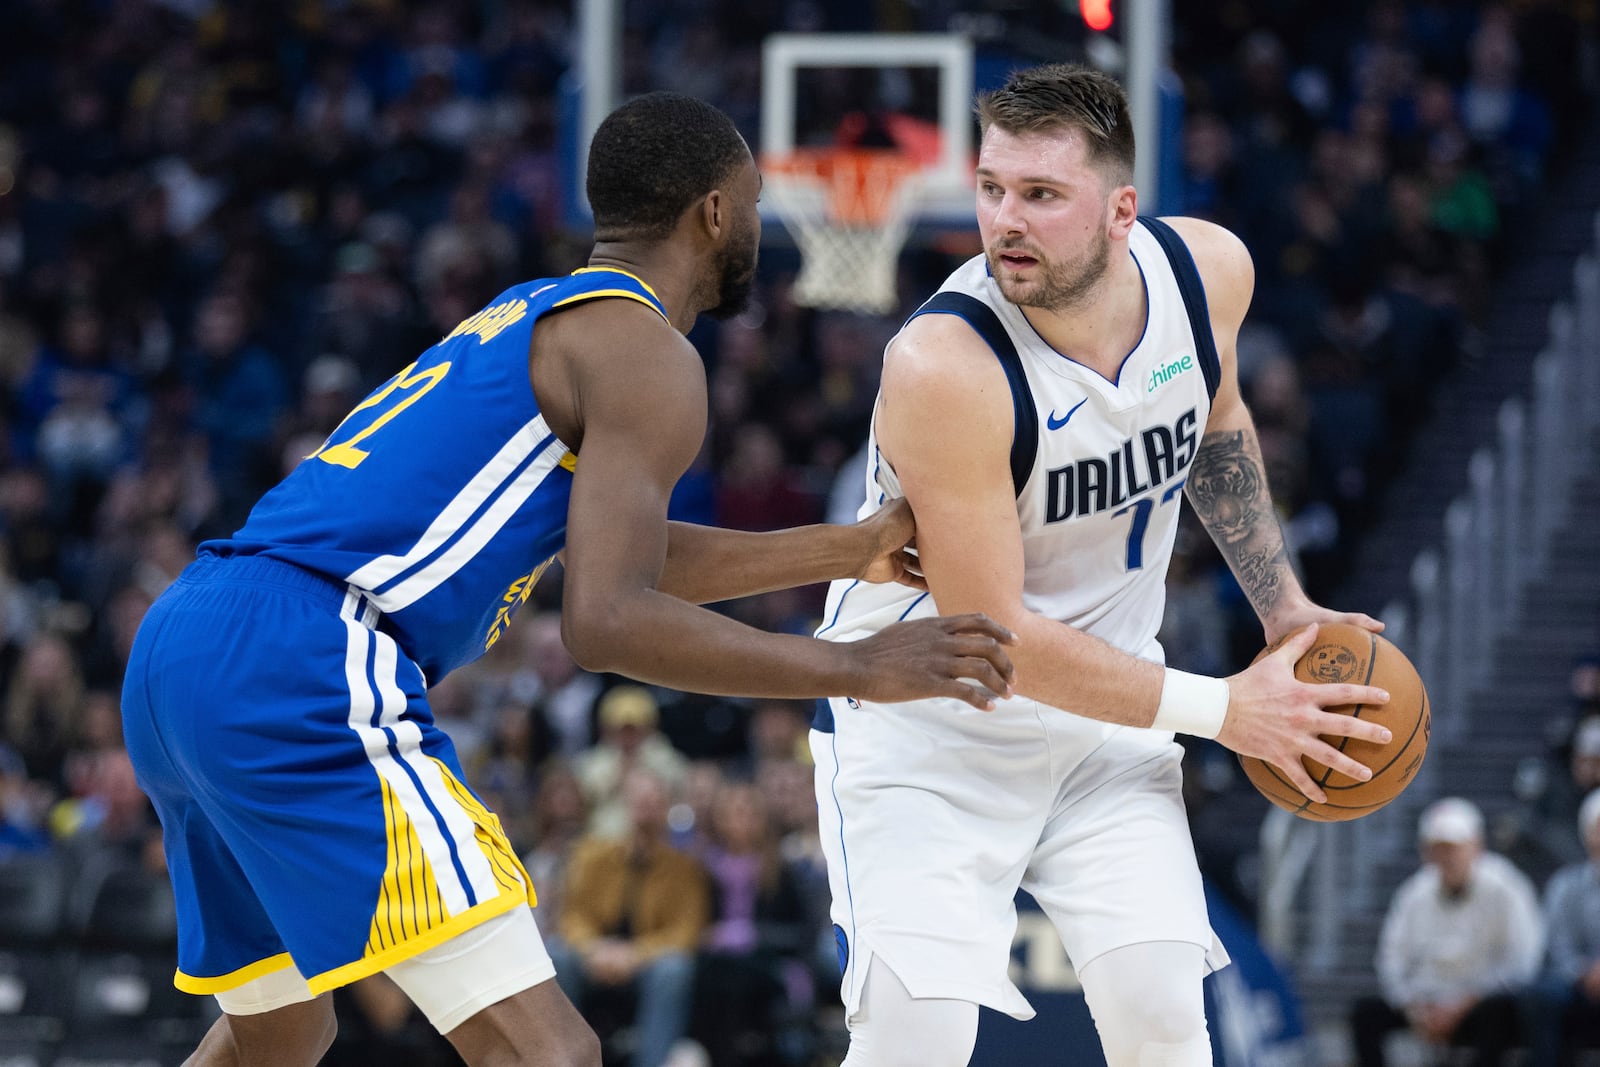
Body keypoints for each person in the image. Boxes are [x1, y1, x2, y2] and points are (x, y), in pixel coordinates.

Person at [118, 91, 1017, 1067]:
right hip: (302, 652)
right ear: (713, 212)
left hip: (186, 642)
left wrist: (847, 548)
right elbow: (608, 619)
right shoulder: (646, 353)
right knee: (547, 1050)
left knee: (278, 1031)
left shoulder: (529, 313)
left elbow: (621, 554)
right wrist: (857, 664)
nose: (760, 225)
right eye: (754, 202)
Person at [810, 64, 1394, 1067]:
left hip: (1103, 726)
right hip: (930, 735)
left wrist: (1283, 605)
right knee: (917, 1037)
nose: (1004, 221)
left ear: (1121, 209)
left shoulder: (1208, 270)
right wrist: (1227, 708)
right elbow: (997, 640)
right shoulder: (942, 366)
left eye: (1039, 194)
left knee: (1163, 1008)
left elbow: (1215, 423)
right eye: (991, 189)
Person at [1350, 797, 1542, 1067]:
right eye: (1437, 849)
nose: (1446, 857)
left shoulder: (1506, 888)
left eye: (1453, 848)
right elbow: (1391, 958)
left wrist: (1464, 1004)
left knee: (1501, 1012)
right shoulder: (1414, 893)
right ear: (1424, 852)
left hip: (1481, 1001)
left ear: (1476, 847)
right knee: (1366, 1012)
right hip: (1426, 1002)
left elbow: (1521, 962)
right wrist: (1413, 1007)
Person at [549, 766, 710, 1067]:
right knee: (557, 954)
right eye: (639, 799)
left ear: (666, 807)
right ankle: (565, 1060)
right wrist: (593, 948)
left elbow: (685, 932)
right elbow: (573, 915)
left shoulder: (684, 868)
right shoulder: (594, 856)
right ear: (625, 804)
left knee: (674, 968)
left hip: (646, 965)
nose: (646, 807)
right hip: (596, 958)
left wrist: (635, 954)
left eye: (654, 800)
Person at [1525, 788, 1600, 1067]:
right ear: (1586, 833)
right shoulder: (1565, 884)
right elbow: (1557, 943)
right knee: (1542, 995)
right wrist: (1584, 973)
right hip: (1577, 982)